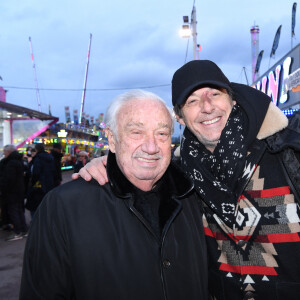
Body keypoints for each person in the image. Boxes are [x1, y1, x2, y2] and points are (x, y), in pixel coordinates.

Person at [74, 60, 300, 300]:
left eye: (215, 94)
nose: (207, 106)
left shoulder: (288, 153)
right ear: (179, 117)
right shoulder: (179, 176)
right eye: (192, 101)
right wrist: (107, 163)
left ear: (232, 102)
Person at [20, 90, 208, 299]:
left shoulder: (191, 197)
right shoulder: (63, 207)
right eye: (136, 132)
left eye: (162, 134)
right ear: (112, 139)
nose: (152, 146)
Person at [0, 145, 27, 241]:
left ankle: (17, 231)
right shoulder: (18, 160)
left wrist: (3, 187)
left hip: (12, 191)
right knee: (19, 210)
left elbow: (9, 179)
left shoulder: (11, 163)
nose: (3, 153)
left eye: (4, 151)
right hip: (19, 190)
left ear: (9, 152)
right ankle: (23, 230)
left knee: (13, 211)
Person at [25, 144, 54, 218]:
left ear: (36, 150)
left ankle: (36, 225)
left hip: (38, 187)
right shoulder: (50, 158)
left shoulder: (37, 159)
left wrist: (32, 183)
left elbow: (35, 173)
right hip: (48, 185)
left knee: (34, 207)